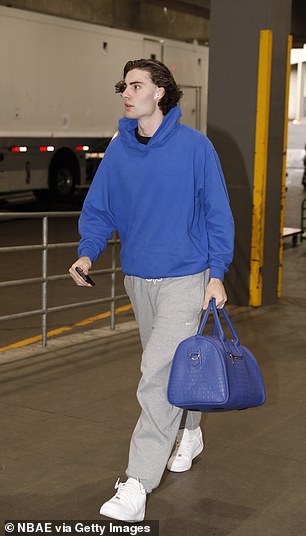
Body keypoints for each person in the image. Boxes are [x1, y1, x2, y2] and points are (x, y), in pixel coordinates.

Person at [69, 58, 234, 522]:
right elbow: (100, 209)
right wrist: (88, 252)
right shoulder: (120, 149)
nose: (126, 91)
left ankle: (137, 483)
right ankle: (191, 430)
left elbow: (218, 213)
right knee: (172, 370)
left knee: (156, 376)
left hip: (186, 277)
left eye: (136, 84)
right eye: (124, 85)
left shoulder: (195, 148)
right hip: (138, 279)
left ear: (160, 92)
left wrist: (217, 273)